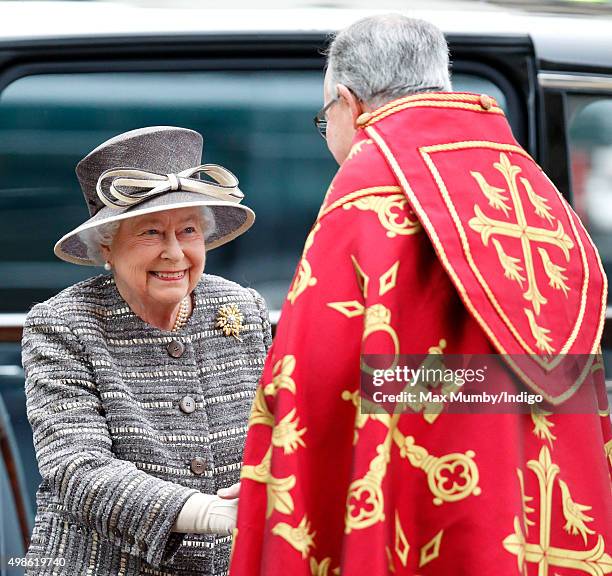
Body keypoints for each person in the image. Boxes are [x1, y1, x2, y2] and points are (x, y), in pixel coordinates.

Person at [229, 15, 612, 575]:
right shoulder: (532, 187)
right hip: (536, 500)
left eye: (324, 120)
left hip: (425, 501)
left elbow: (315, 375)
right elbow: (555, 379)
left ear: (349, 102)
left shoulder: (370, 186)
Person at [21, 126, 271, 575]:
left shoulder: (242, 307)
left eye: (189, 230)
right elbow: (76, 468)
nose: (174, 252)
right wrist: (204, 512)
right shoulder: (63, 324)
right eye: (151, 232)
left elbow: (286, 423)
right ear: (107, 248)